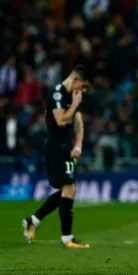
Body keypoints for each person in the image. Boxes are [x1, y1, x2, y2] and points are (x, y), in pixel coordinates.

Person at [22, 65, 90, 248]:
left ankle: (34, 220)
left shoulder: (71, 95)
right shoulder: (57, 94)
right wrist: (75, 104)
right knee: (69, 188)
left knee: (68, 190)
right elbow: (61, 121)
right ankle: (66, 238)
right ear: (75, 79)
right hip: (55, 148)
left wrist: (78, 144)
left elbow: (78, 122)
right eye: (82, 86)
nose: (82, 91)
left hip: (65, 147)